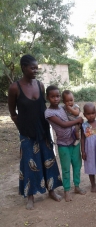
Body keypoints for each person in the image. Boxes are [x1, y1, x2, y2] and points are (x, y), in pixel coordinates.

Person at [8, 54, 62, 210]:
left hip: (43, 129)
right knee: (29, 163)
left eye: (36, 68)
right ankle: (30, 196)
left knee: (48, 159)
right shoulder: (14, 88)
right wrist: (22, 129)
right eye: (32, 68)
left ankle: (51, 190)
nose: (35, 70)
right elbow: (13, 113)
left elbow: (43, 108)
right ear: (23, 68)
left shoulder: (40, 85)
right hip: (27, 133)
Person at [44, 85, 86, 202]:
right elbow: (62, 124)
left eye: (57, 96)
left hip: (74, 142)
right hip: (63, 145)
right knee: (66, 168)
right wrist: (77, 121)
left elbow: (76, 111)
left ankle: (77, 186)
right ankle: (67, 190)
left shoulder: (64, 107)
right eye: (52, 97)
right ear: (47, 97)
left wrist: (78, 116)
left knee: (77, 166)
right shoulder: (48, 112)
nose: (56, 99)